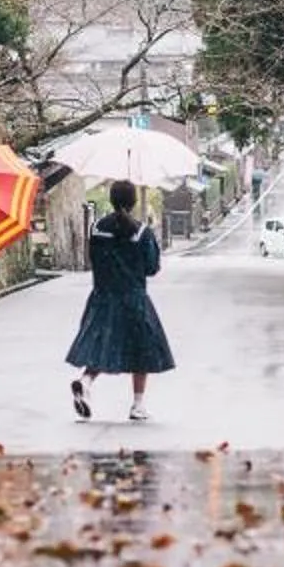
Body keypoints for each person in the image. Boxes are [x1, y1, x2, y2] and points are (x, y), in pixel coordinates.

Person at [67, 180, 175, 422]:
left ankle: (85, 382)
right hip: (133, 299)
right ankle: (137, 405)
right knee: (141, 350)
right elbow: (151, 268)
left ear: (111, 199)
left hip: (102, 298)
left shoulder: (96, 229)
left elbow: (93, 260)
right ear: (134, 202)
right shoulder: (140, 232)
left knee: (102, 346)